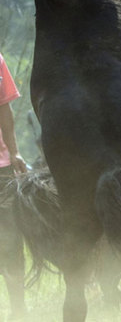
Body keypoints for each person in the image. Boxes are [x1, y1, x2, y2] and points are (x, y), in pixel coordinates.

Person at [0, 52, 27, 320]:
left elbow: (4, 107)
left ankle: (19, 311)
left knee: (9, 240)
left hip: (2, 168)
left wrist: (15, 151)